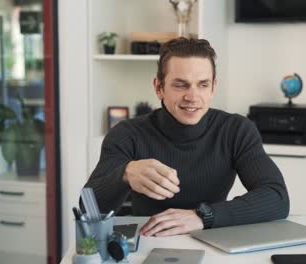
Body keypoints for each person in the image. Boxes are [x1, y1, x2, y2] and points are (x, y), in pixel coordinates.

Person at [83, 37, 290, 237]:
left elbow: (276, 197)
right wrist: (124, 174)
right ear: (159, 87)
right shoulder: (127, 133)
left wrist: (202, 216)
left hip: (213, 238)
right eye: (180, 85)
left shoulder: (236, 130)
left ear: (213, 88)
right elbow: (87, 209)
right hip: (150, 240)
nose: (192, 97)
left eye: (202, 84)